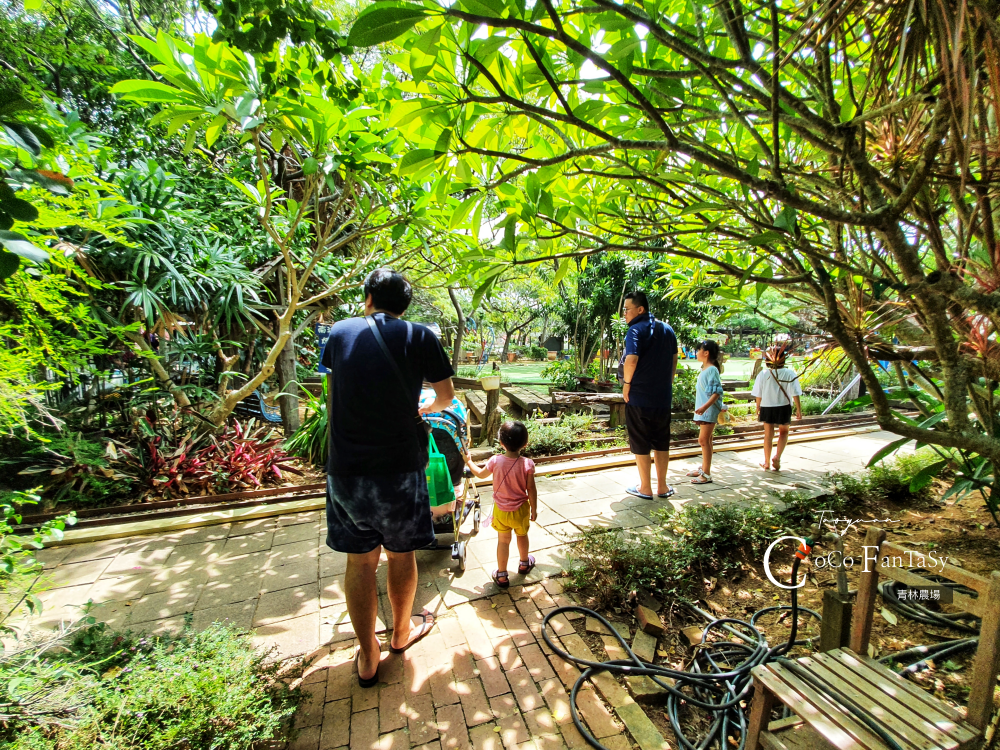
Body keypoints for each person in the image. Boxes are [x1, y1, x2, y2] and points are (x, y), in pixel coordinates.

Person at [321, 268, 455, 688]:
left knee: (359, 562)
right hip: (399, 467)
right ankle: (400, 634)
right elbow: (446, 396)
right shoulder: (420, 336)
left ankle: (366, 654)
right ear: (405, 305)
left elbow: (333, 395)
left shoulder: (340, 333)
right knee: (401, 554)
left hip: (347, 470)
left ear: (367, 297)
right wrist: (423, 410)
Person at [619, 290, 678, 499]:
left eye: (627, 309)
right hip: (662, 399)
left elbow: (631, 359)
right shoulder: (668, 329)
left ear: (640, 309)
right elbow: (673, 360)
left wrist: (626, 384)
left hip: (639, 398)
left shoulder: (635, 330)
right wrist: (667, 383)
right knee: (662, 441)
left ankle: (645, 487)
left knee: (641, 441)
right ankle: (662, 487)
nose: (624, 314)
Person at [465, 421, 538, 589]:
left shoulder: (495, 461)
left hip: (501, 511)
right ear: (525, 444)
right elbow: (531, 489)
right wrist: (534, 509)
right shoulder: (528, 464)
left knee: (503, 541)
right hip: (520, 511)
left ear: (501, 443)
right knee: (522, 536)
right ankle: (524, 563)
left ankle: (502, 574)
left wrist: (469, 462)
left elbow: (480, 475)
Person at [753, 344, 803, 471]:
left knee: (768, 434)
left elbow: (758, 393)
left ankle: (767, 462)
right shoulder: (789, 373)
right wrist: (799, 409)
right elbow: (795, 393)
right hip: (784, 406)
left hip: (767, 406)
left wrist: (758, 407)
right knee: (784, 432)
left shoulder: (763, 374)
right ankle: (777, 457)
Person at [688, 340, 725, 485]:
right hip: (704, 411)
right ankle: (704, 468)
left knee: (703, 440)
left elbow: (716, 393)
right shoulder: (706, 369)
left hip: (708, 411)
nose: (697, 353)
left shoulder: (711, 370)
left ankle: (706, 474)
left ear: (706, 353)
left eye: (699, 350)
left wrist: (704, 407)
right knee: (707, 440)